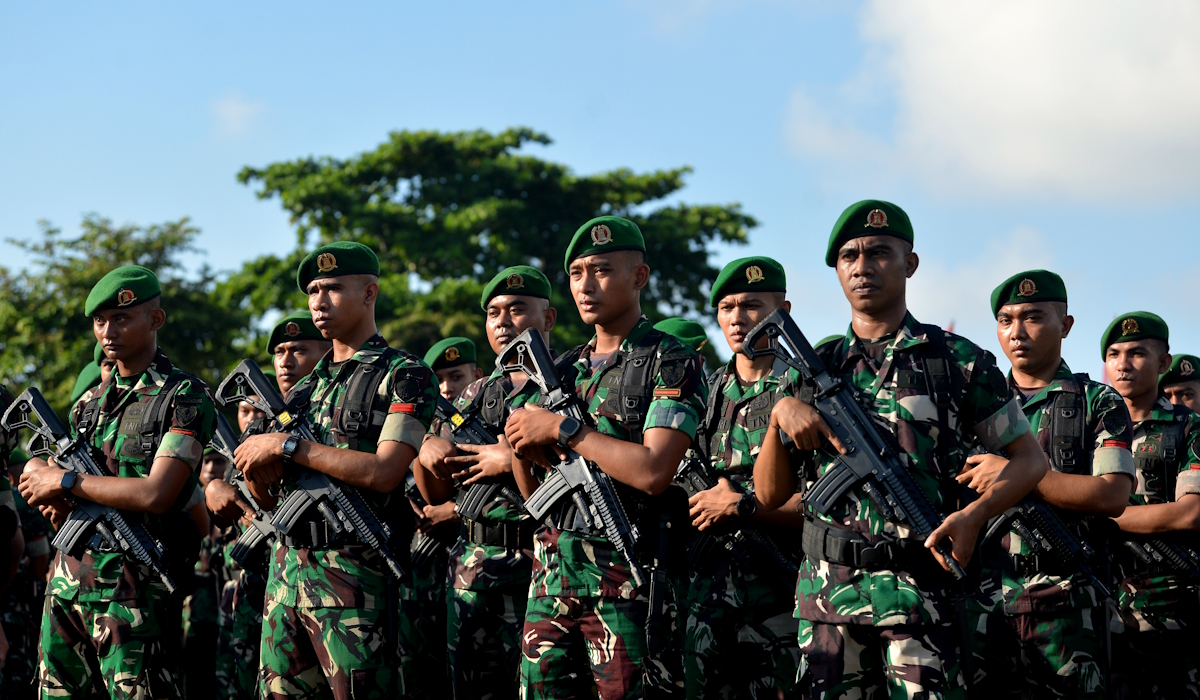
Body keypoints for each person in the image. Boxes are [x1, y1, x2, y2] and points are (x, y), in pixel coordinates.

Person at [752, 200, 1047, 699]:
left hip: (922, 591)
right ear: (837, 271)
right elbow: (769, 492)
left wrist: (976, 515)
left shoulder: (956, 360)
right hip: (827, 600)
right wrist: (779, 415)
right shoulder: (806, 368)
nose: (863, 267)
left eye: (879, 253)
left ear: (909, 264)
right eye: (850, 256)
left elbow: (1030, 461)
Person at [507, 216, 706, 698]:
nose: (584, 285)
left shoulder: (669, 360)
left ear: (638, 277)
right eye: (575, 274)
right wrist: (520, 439)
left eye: (599, 270)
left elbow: (655, 471)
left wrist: (563, 429)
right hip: (551, 580)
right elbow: (532, 491)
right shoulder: (562, 368)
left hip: (628, 584)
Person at [235, 241, 437, 698]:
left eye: (331, 289)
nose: (318, 302)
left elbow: (385, 472)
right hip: (285, 579)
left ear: (369, 293)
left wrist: (289, 447)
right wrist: (253, 462)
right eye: (312, 291)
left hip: (356, 582)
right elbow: (266, 499)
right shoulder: (301, 390)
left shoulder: (404, 374)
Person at [19, 265, 217, 697]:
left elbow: (156, 493)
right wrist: (42, 482)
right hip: (69, 583)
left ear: (155, 320)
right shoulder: (87, 405)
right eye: (99, 320)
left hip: (134, 590)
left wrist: (66, 481)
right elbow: (56, 489)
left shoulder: (185, 397)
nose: (108, 331)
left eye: (122, 318)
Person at [970, 270, 1135, 699]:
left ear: (1065, 325)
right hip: (980, 602)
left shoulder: (1097, 401)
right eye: (1005, 320)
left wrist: (1015, 477)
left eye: (1033, 317)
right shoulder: (974, 403)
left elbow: (1113, 494)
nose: (1017, 332)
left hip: (1066, 607)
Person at [419, 265, 555, 700]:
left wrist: (509, 458)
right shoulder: (471, 397)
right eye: (494, 312)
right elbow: (438, 495)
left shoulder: (566, 385)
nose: (503, 321)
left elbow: (587, 474)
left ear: (548, 319)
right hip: (472, 565)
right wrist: (423, 444)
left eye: (517, 309)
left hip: (540, 561)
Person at [683, 256, 806, 699]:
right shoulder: (705, 392)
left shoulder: (804, 390)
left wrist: (745, 506)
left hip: (781, 595)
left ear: (783, 312)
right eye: (726, 307)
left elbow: (828, 504)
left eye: (752, 305)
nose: (737, 319)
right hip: (707, 590)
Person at [209, 310, 331, 700]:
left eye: (299, 349)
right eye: (279, 351)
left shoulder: (327, 413)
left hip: (331, 571)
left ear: (326, 351)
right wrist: (218, 486)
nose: (286, 361)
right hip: (268, 575)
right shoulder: (261, 424)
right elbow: (252, 496)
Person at [1103, 313, 1200, 699]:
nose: (1123, 364)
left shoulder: (1189, 428)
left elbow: (1190, 513)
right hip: (1102, 607)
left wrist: (1104, 515)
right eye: (1114, 354)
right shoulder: (1091, 426)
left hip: (1173, 612)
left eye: (1137, 353)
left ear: (1163, 363)